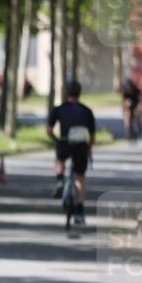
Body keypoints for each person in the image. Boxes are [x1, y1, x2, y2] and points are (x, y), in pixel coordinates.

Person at [47, 80, 96, 225]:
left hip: (65, 142)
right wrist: (88, 149)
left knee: (59, 158)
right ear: (79, 93)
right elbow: (92, 137)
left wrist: (57, 140)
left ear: (66, 93)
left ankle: (60, 180)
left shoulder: (58, 109)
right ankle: (80, 211)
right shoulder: (87, 111)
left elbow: (49, 130)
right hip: (81, 145)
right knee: (80, 177)